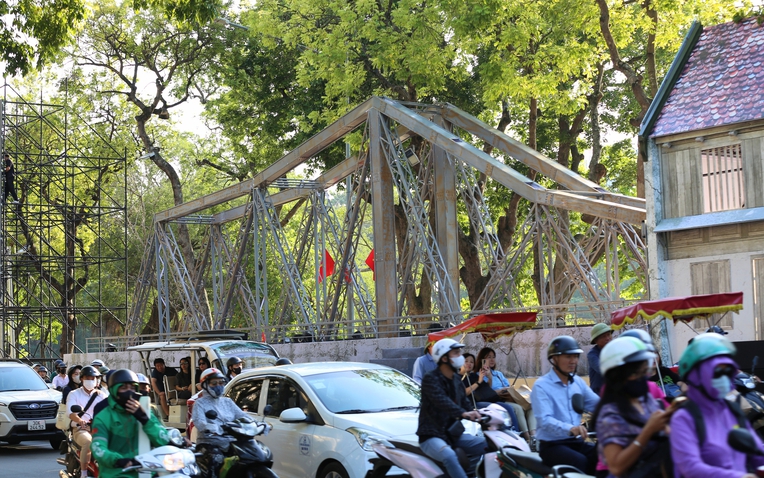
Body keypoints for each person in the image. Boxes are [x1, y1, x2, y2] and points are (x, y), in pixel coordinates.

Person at [670, 333, 764, 477]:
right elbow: (690, 468)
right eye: (718, 371)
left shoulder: (732, 410)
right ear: (697, 376)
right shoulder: (684, 419)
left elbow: (757, 451)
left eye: (728, 371)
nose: (725, 377)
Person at [593, 336, 670, 478]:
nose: (642, 378)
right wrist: (648, 430)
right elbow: (616, 467)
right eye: (636, 373)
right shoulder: (610, 415)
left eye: (643, 372)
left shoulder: (646, 400)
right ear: (618, 376)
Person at [417, 339, 487, 478]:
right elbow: (442, 402)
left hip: (452, 434)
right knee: (449, 456)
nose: (460, 356)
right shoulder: (430, 379)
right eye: (456, 353)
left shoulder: (456, 379)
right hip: (431, 435)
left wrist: (481, 414)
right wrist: (463, 413)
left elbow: (466, 404)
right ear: (444, 358)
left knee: (488, 445)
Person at [531, 335, 600, 474]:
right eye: (568, 356)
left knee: (604, 455)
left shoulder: (578, 383)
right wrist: (571, 428)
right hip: (551, 446)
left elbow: (598, 405)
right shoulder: (541, 386)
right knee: (580, 462)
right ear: (555, 358)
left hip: (575, 442)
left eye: (576, 356)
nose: (573, 361)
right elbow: (544, 420)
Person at [91, 369, 171, 478]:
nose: (129, 392)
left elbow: (163, 440)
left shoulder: (145, 411)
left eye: (132, 388)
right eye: (123, 388)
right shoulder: (103, 417)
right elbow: (98, 448)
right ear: (114, 390)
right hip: (116, 473)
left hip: (146, 471)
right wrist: (119, 461)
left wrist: (144, 419)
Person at [192, 368, 250, 477]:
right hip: (209, 442)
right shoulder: (199, 403)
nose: (218, 385)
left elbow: (243, 416)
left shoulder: (227, 402)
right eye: (214, 383)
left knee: (248, 456)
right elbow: (199, 422)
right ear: (205, 385)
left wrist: (257, 424)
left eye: (221, 382)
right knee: (216, 459)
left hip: (231, 441)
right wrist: (211, 427)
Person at [475, 347, 537, 444]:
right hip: (497, 400)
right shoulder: (480, 375)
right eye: (488, 357)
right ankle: (527, 438)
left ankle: (534, 436)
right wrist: (490, 378)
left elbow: (507, 386)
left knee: (531, 406)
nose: (492, 360)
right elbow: (486, 393)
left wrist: (507, 389)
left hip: (508, 396)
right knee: (518, 408)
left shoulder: (498, 374)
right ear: (482, 359)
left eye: (493, 357)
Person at [460, 352, 520, 433]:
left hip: (485, 399)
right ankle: (507, 430)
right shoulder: (458, 377)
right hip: (473, 403)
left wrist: (489, 377)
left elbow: (487, 388)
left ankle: (514, 430)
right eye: (466, 361)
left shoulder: (473, 376)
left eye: (471, 362)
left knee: (508, 407)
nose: (469, 364)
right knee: (496, 408)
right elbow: (464, 392)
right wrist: (478, 382)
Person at [67, 366, 108, 478]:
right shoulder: (74, 394)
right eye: (87, 378)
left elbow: (110, 412)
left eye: (93, 378)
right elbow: (71, 413)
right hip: (81, 429)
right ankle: (84, 474)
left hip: (99, 429)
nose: (90, 380)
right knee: (88, 442)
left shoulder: (102, 395)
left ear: (97, 380)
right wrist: (81, 421)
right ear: (82, 379)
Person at [588, 323, 612, 394]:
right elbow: (601, 369)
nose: (607, 338)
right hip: (598, 393)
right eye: (603, 336)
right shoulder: (592, 354)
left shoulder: (614, 350)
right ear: (596, 341)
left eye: (608, 335)